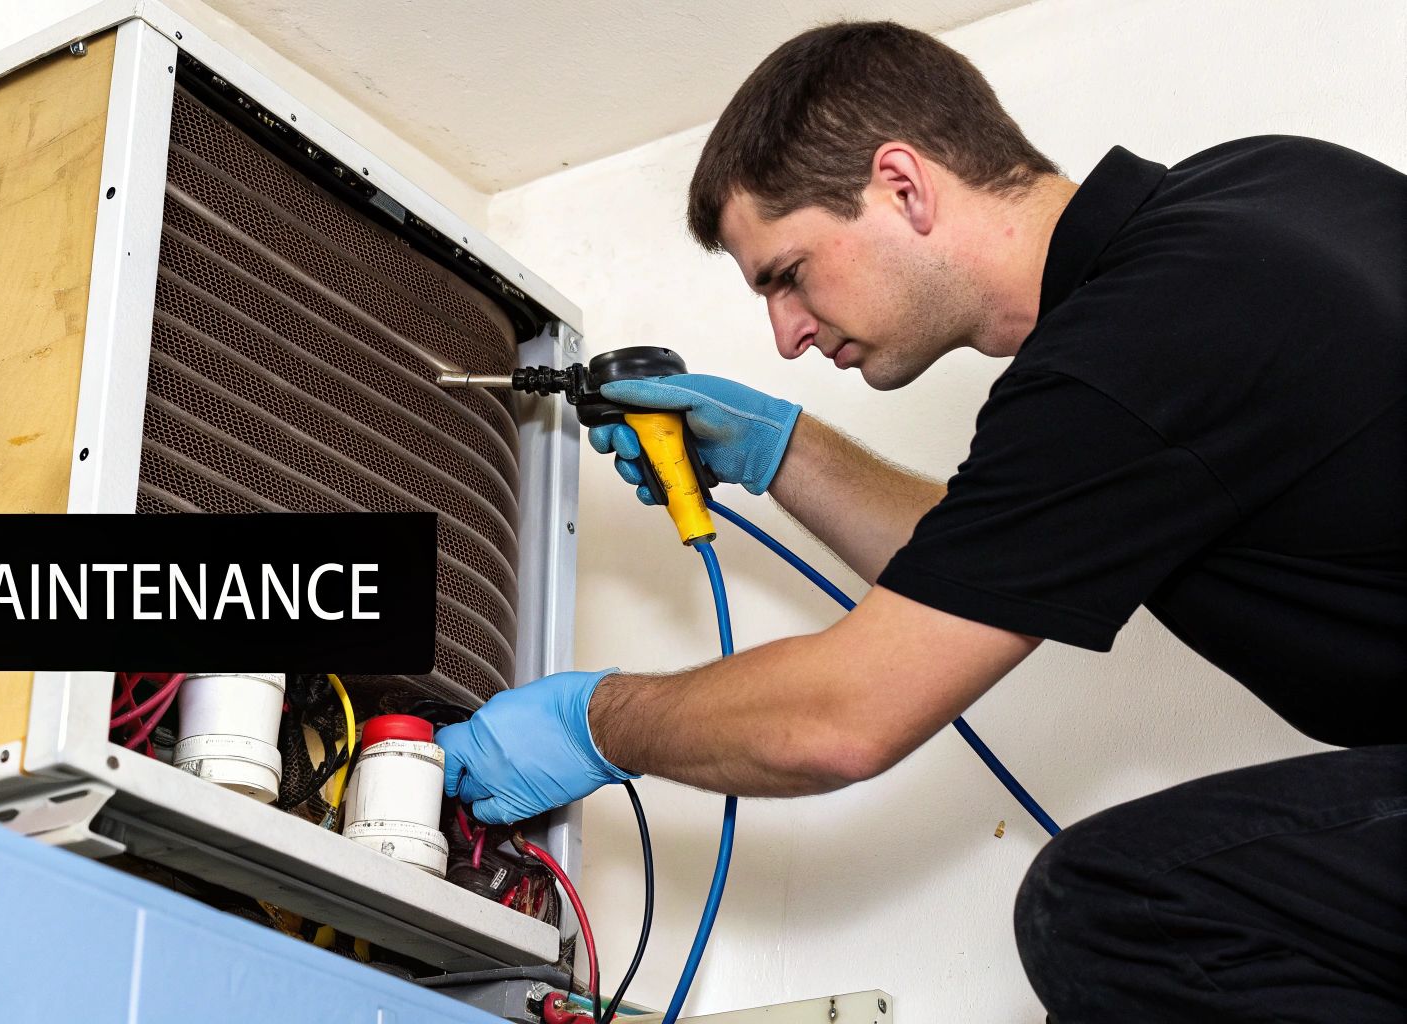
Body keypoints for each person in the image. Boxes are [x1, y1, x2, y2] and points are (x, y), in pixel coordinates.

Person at [435, 21, 1407, 1023]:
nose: (786, 334)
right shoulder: (1263, 190)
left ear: (902, 185)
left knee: (1120, 907)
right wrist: (782, 450)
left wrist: (591, 721)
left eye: (787, 274)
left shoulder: (1122, 357)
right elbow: (978, 570)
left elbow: (840, 720)